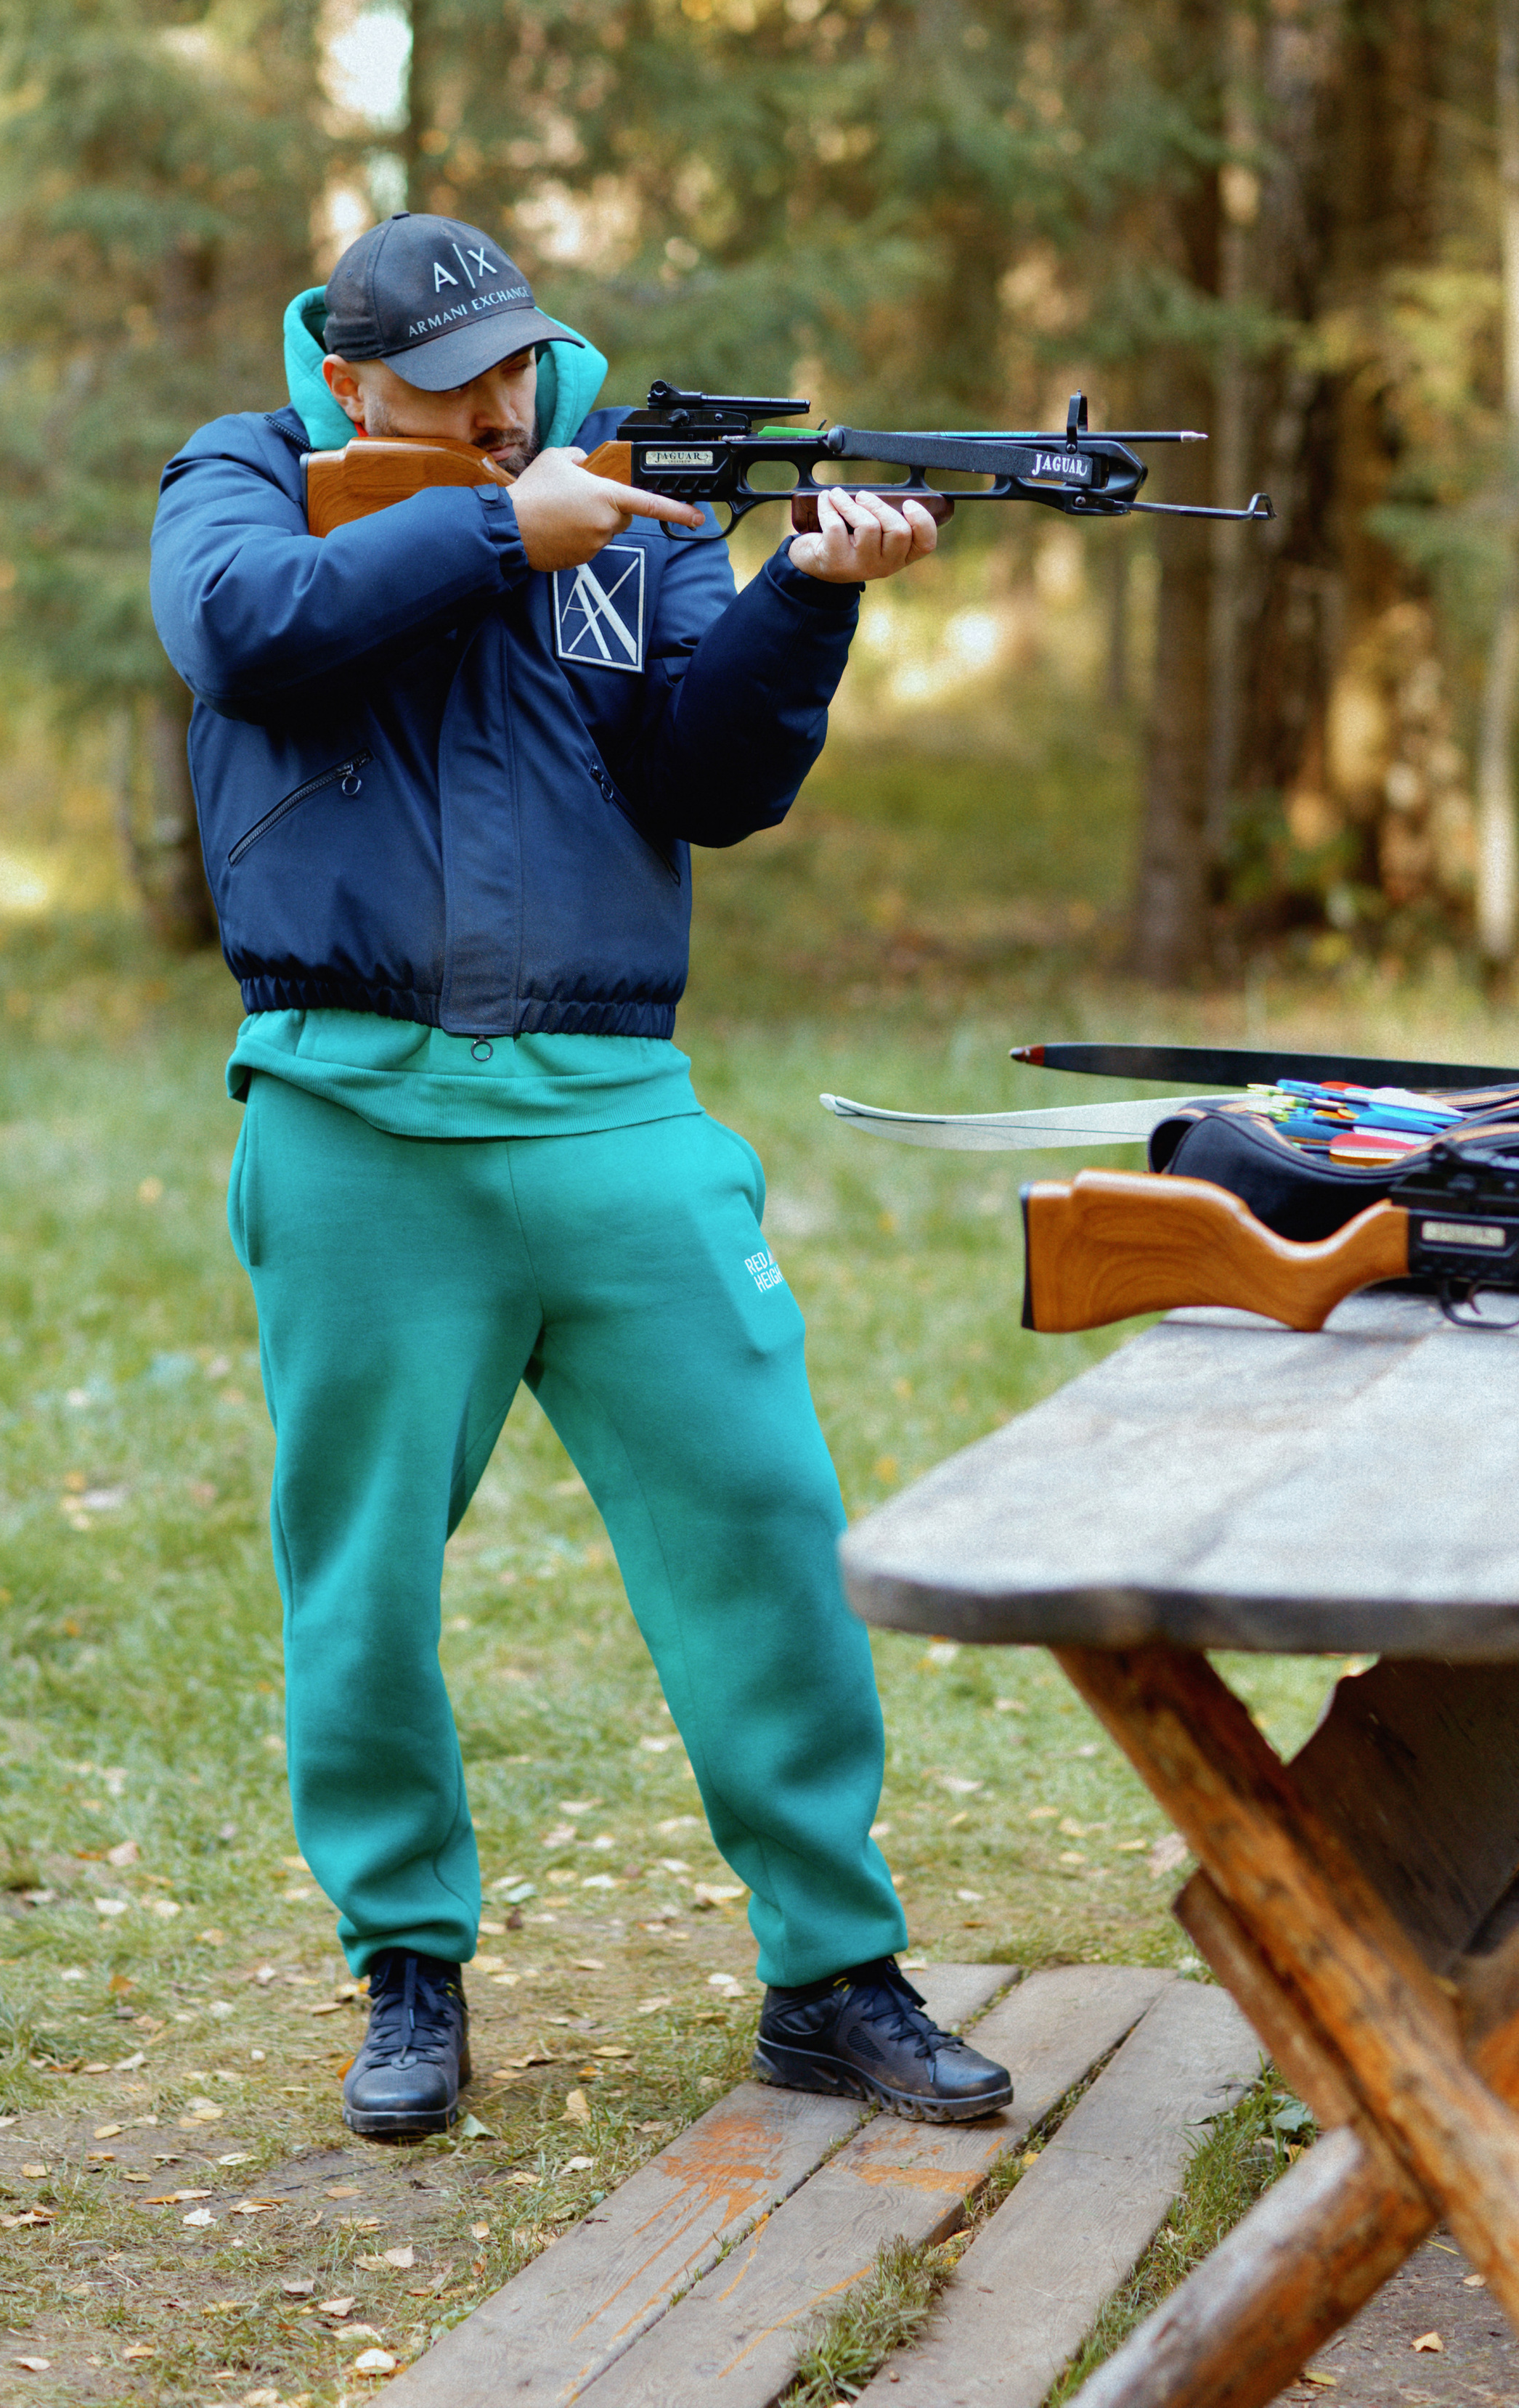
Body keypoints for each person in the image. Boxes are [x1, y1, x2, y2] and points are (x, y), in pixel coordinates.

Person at [148, 210, 1011, 2142]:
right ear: (347, 376)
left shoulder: (634, 495)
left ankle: (832, 1971)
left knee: (765, 1519)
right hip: (351, 1111)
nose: (508, 403)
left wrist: (806, 598)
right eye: (457, 384)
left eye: (521, 366)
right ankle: (409, 1970)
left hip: (613, 1104)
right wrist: (490, 530)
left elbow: (712, 781)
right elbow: (238, 634)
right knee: (359, 1579)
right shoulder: (244, 477)